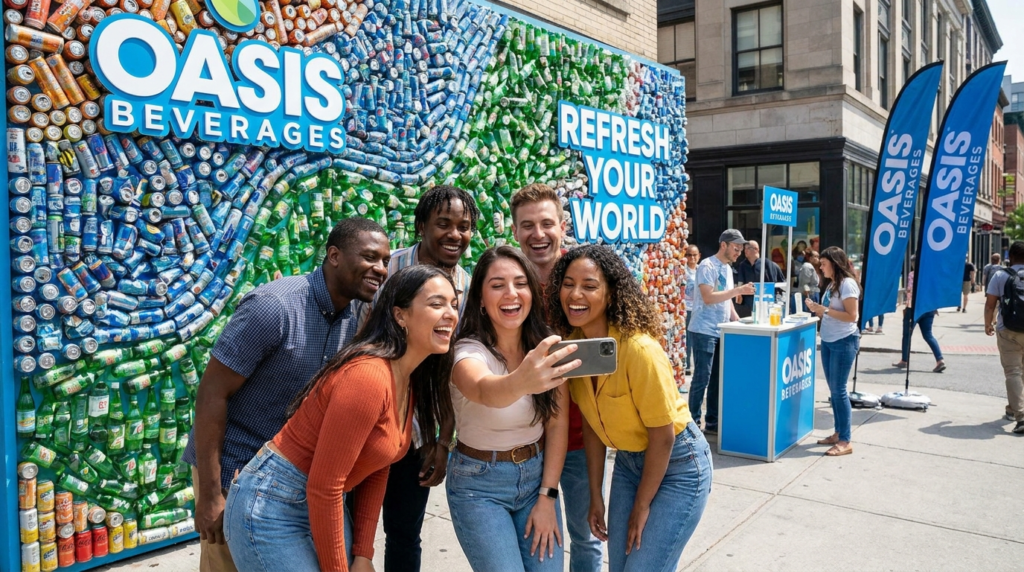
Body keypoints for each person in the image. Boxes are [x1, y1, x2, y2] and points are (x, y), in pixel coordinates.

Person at [223, 265, 460, 572]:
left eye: (454, 304)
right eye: (436, 304)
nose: (451, 314)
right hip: (273, 505)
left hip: (320, 504)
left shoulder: (406, 379)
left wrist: (363, 552)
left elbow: (377, 466)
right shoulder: (368, 376)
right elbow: (325, 486)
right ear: (400, 315)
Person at [188, 218, 390, 572]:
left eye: (385, 260)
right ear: (334, 256)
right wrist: (209, 494)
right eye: (371, 257)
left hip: (288, 481)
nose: (381, 269)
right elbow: (211, 395)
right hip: (232, 469)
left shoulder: (357, 317)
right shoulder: (274, 307)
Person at [548, 245, 713, 572]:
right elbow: (594, 428)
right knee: (620, 566)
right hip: (628, 462)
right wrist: (596, 494)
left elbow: (663, 436)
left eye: (589, 285)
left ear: (610, 294)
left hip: (678, 463)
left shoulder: (638, 349)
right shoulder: (573, 349)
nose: (575, 293)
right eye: (568, 283)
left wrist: (641, 505)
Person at [370, 185, 481, 572]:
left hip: (418, 432)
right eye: (444, 224)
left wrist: (442, 440)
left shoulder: (465, 287)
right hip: (369, 421)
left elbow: (446, 368)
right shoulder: (386, 270)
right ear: (421, 227)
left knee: (404, 533)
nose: (455, 234)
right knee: (353, 532)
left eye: (464, 226)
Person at [448, 246, 580, 571]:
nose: (511, 294)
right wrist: (524, 379)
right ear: (480, 298)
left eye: (520, 283)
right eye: (497, 285)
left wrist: (548, 496)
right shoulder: (466, 351)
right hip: (479, 486)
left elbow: (557, 425)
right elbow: (484, 390)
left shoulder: (547, 345)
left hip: (537, 479)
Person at [511, 183, 603, 572]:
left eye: (546, 223)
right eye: (527, 225)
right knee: (541, 540)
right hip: (527, 441)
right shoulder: (507, 281)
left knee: (586, 538)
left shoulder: (587, 276)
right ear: (514, 230)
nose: (538, 234)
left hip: (583, 438)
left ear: (562, 225)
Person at [689, 230, 755, 434]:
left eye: (741, 249)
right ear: (724, 245)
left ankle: (712, 421)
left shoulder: (727, 268)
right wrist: (738, 291)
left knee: (717, 378)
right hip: (704, 330)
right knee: (702, 377)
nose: (739, 253)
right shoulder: (707, 266)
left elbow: (726, 301)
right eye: (736, 248)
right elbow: (708, 297)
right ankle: (692, 423)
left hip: (721, 329)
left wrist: (737, 319)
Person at [806, 247, 860, 456]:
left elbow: (852, 316)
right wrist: (818, 309)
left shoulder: (847, 284)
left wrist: (825, 310)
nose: (820, 267)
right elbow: (831, 311)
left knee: (839, 391)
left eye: (824, 264)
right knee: (834, 391)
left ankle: (845, 440)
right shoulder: (834, 284)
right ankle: (838, 433)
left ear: (835, 264)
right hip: (829, 340)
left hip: (843, 341)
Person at [983, 241, 1024, 434]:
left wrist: (988, 324)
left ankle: (1021, 416)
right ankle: (1012, 408)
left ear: (1011, 257)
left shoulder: (1000, 275)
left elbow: (990, 304)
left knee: (1013, 372)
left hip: (1008, 330)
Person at [893, 256, 945, 372]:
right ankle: (939, 359)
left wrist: (907, 295)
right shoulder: (931, 275)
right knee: (928, 335)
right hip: (929, 308)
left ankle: (904, 360)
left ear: (913, 263)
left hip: (914, 308)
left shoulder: (913, 274)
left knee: (907, 334)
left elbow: (911, 290)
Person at [733, 240, 785, 319]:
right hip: (746, 308)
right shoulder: (742, 266)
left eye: (748, 248)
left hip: (765, 306)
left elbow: (782, 285)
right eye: (745, 248)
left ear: (756, 249)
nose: (745, 250)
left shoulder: (769, 265)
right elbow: (737, 284)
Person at [683, 245, 701, 375]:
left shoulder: (702, 270)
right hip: (687, 307)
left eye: (694, 255)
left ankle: (697, 365)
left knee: (698, 338)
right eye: (689, 255)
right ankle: (687, 366)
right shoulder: (683, 271)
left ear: (699, 256)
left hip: (699, 308)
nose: (692, 258)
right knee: (688, 338)